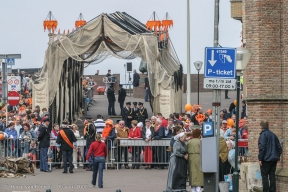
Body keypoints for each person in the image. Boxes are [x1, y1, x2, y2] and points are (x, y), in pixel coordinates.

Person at [258, 121, 282, 192]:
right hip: (273, 159)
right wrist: (277, 156)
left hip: (266, 159)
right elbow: (280, 149)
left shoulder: (263, 135)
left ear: (261, 127)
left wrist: (260, 158)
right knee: (272, 176)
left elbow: (262, 148)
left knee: (265, 176)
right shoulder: (273, 135)